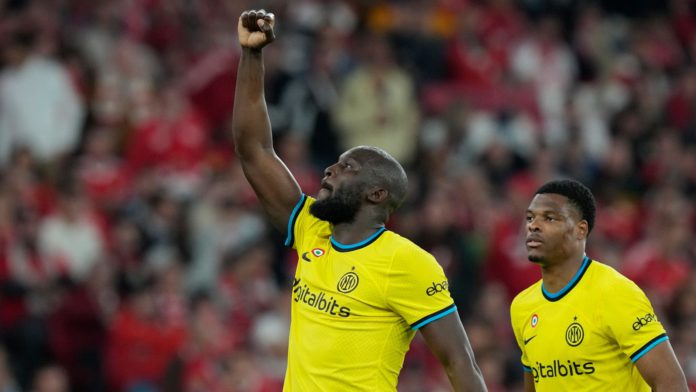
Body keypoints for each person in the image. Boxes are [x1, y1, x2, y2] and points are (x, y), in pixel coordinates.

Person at [232, 9, 487, 391]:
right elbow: (254, 150)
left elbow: (459, 359)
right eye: (334, 163)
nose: (330, 171)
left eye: (347, 167)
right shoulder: (311, 228)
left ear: (376, 193)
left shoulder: (408, 263)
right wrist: (252, 56)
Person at [510, 179, 688, 391]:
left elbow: (671, 382)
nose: (533, 225)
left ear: (580, 230)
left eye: (549, 218)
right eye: (530, 217)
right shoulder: (522, 307)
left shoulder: (616, 292)